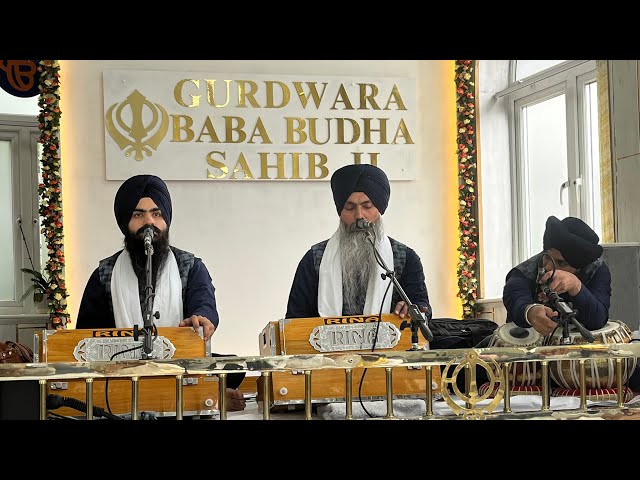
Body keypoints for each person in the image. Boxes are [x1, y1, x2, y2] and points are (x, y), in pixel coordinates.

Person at [76, 174, 245, 411]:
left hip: (179, 364)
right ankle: (210, 394)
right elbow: (85, 335)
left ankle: (206, 394)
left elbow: (204, 302)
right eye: (138, 214)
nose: (149, 222)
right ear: (125, 221)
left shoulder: (190, 266)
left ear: (166, 219)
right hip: (121, 372)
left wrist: (201, 316)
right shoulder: (105, 273)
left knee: (234, 367)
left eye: (157, 214)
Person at [285, 163, 432, 322]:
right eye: (349, 207)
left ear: (379, 209)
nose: (359, 216)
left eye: (367, 206)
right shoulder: (314, 259)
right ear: (340, 211)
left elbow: (422, 308)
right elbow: (294, 320)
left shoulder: (405, 258)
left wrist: (412, 308)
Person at [502, 215, 611, 337]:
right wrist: (530, 312)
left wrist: (576, 286)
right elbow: (515, 297)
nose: (548, 266)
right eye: (546, 256)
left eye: (561, 263)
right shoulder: (523, 273)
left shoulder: (596, 270)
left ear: (579, 266)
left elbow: (598, 319)